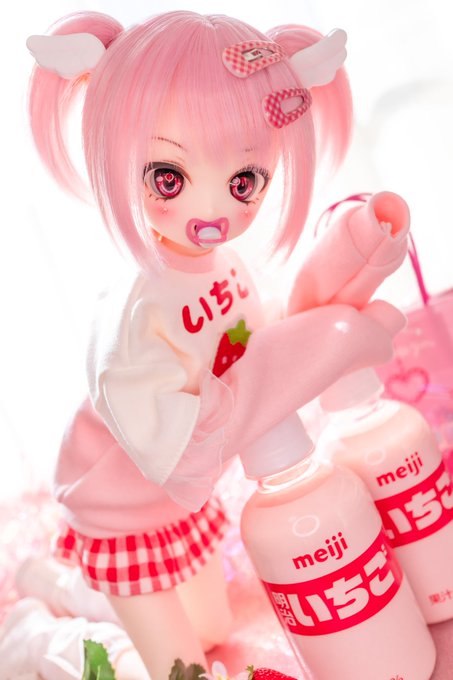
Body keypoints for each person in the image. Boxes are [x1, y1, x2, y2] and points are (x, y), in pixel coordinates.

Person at [21, 10, 409, 679]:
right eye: (168, 177)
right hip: (121, 511)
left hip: (181, 504)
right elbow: (185, 433)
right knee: (182, 668)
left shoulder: (228, 267)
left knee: (214, 629)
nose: (213, 212)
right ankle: (36, 632)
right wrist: (322, 348)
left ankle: (62, 587)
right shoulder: (137, 315)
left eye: (243, 182)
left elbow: (250, 349)